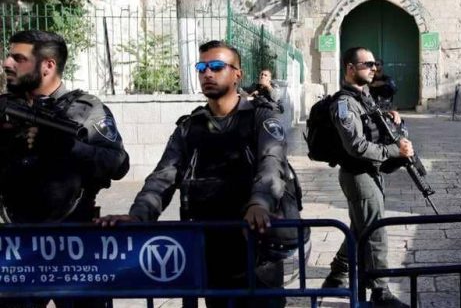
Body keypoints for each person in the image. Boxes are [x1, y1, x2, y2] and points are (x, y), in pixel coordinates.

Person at [97, 41, 293, 308]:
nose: (207, 74)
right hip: (210, 246)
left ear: (238, 74)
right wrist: (138, 216)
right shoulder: (189, 127)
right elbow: (163, 177)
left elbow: (271, 163)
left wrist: (259, 203)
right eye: (202, 68)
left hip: (255, 246)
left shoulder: (261, 118)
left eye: (217, 67)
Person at [0, 30, 129, 308]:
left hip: (74, 246)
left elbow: (118, 164)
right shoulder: (5, 108)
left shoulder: (84, 109)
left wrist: (69, 147)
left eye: (18, 58)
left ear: (48, 65)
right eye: (9, 56)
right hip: (16, 247)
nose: (6, 63)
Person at [320, 47, 411, 308]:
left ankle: (338, 274)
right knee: (375, 231)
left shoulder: (364, 96)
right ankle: (381, 291)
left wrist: (390, 118)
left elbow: (371, 124)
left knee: (361, 227)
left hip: (371, 172)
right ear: (350, 68)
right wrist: (394, 151)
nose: (374, 68)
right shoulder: (343, 103)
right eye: (367, 64)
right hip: (358, 174)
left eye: (375, 64)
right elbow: (356, 146)